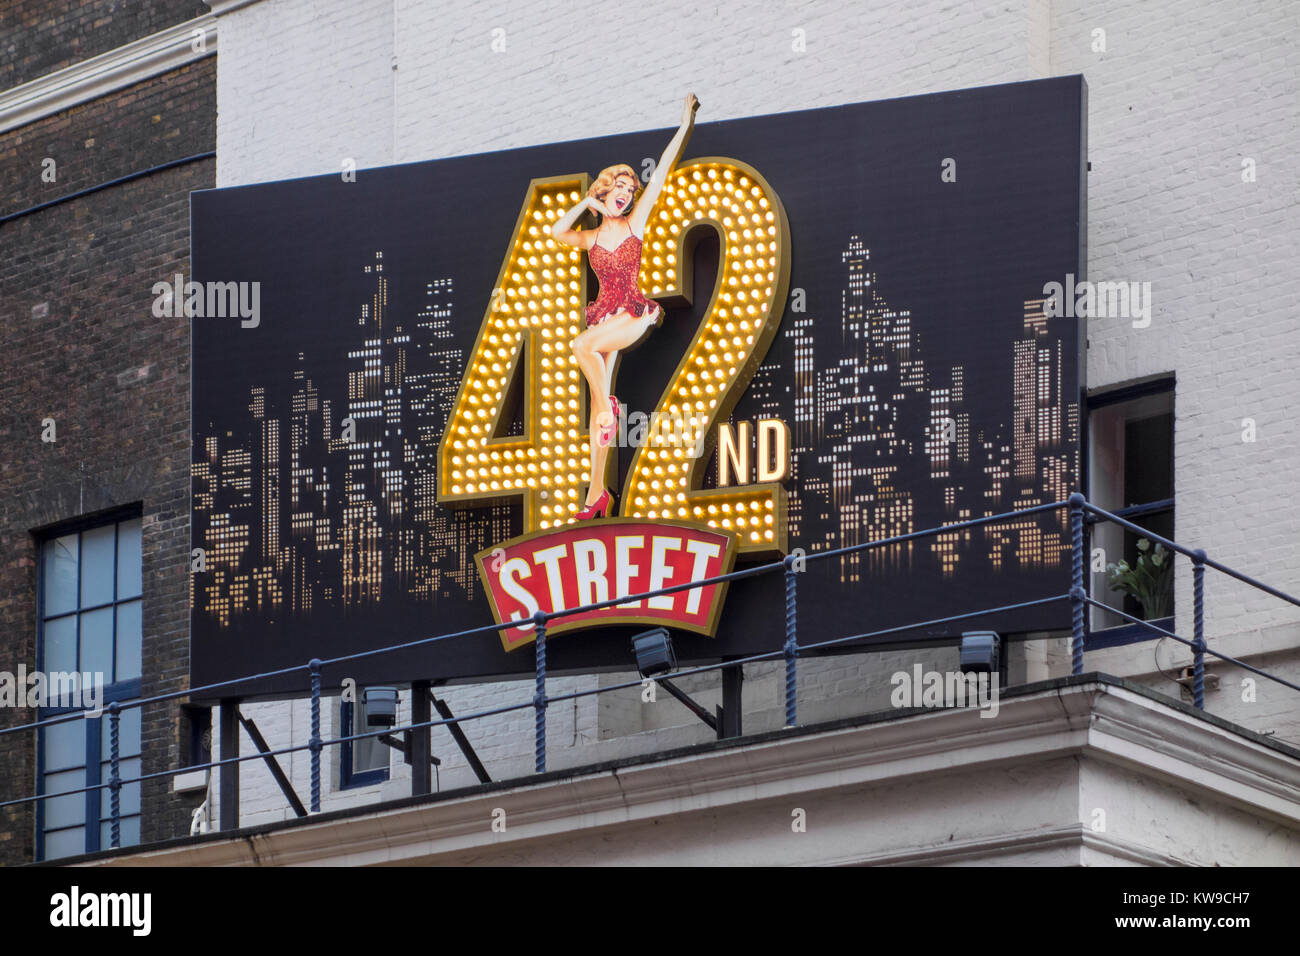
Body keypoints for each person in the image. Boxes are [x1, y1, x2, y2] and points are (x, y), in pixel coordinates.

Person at [551, 92, 700, 519]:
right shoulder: (591, 237)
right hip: (605, 317)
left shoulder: (636, 223)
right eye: (619, 187)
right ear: (605, 190)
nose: (627, 194)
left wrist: (684, 125)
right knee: (599, 415)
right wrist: (585, 203)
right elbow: (558, 231)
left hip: (631, 313)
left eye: (630, 189)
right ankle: (596, 493)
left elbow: (664, 170)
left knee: (581, 348)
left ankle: (607, 409)